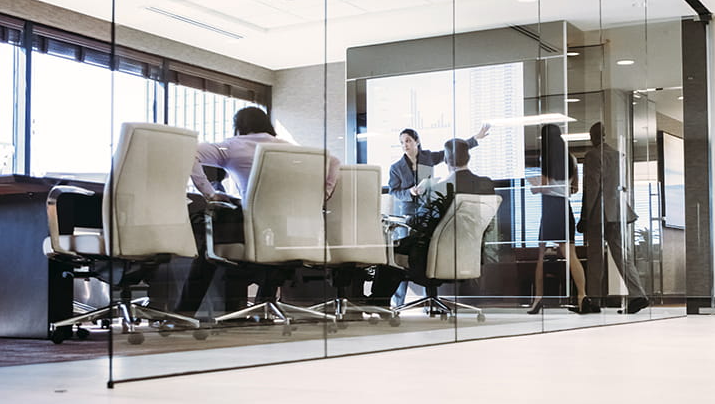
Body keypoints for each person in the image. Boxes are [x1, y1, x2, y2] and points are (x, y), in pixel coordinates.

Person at [176, 107, 341, 318]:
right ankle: (264, 305)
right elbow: (334, 161)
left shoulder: (234, 145)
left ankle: (184, 312)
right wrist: (323, 194)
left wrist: (210, 193)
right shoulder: (291, 149)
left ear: (240, 127)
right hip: (291, 232)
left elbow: (190, 152)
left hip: (251, 227)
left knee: (208, 251)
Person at [368, 137, 495, 304]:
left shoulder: (440, 187)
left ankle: (378, 302)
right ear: (468, 158)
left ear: (447, 161)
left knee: (390, 250)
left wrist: (410, 217)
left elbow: (419, 222)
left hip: (435, 255)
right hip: (469, 252)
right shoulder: (485, 184)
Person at [578, 122, 648, 314]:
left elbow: (592, 187)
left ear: (594, 136)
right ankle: (637, 294)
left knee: (595, 257)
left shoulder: (593, 155)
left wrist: (584, 216)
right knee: (621, 253)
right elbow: (622, 186)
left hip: (599, 213)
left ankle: (594, 300)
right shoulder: (619, 155)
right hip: (618, 210)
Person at [526, 123, 591, 314]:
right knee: (571, 255)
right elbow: (575, 188)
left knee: (541, 255)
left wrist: (534, 187)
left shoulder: (546, 157)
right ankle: (582, 297)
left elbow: (544, 186)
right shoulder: (571, 158)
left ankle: (538, 300)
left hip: (550, 207)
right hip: (565, 206)